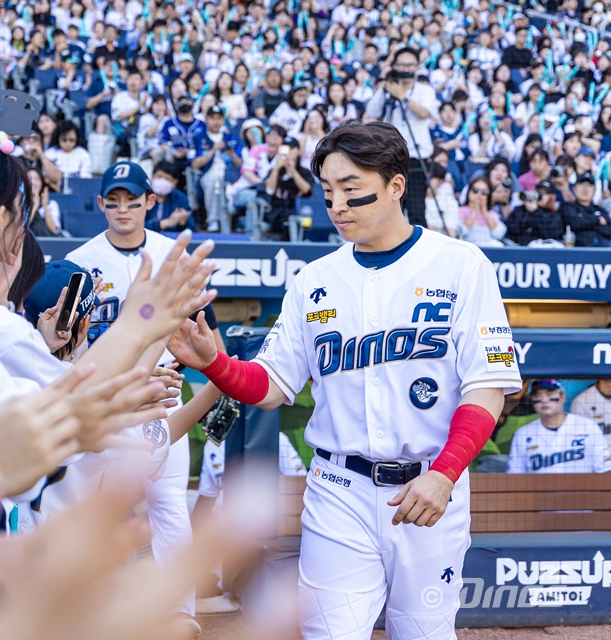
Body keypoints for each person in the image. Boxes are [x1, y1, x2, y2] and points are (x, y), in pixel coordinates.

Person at [168, 122, 522, 639]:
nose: (337, 206)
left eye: (353, 191)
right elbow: (269, 387)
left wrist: (445, 474)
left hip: (429, 487)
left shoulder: (461, 265)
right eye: (329, 192)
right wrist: (214, 362)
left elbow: (486, 387)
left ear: (396, 187)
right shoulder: (315, 279)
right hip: (340, 490)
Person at [65, 161, 224, 628]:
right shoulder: (80, 259)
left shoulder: (172, 253)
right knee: (90, 508)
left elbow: (206, 329)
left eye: (132, 200)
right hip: (105, 399)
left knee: (170, 503)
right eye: (113, 201)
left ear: (150, 202)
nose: (123, 209)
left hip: (163, 392)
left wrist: (221, 379)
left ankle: (180, 616)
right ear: (100, 204)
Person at [365, 47, 439, 227]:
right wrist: (384, 88)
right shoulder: (386, 89)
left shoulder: (425, 90)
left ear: (417, 67)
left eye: (410, 64)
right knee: (390, 208)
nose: (406, 68)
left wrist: (402, 97)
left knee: (416, 211)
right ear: (394, 66)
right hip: (390, 157)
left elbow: (424, 113)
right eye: (401, 64)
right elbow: (371, 111)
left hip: (416, 157)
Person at [507, 380, 610, 474]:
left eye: (549, 394)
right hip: (540, 492)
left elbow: (604, 468)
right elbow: (515, 474)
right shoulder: (523, 434)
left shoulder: (588, 426)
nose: (544, 400)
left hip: (583, 491)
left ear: (562, 397)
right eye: (537, 396)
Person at [190, 106, 242, 232]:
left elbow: (240, 164)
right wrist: (213, 150)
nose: (216, 122)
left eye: (219, 118)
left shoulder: (231, 138)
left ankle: (235, 220)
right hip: (207, 172)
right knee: (215, 180)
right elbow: (194, 164)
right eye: (212, 118)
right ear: (206, 119)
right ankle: (213, 220)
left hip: (230, 173)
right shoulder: (198, 137)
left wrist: (232, 155)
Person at [263, 138, 314, 241]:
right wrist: (276, 168)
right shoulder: (274, 171)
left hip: (298, 212)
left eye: (291, 148)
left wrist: (293, 171)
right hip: (277, 214)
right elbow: (269, 190)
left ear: (298, 150)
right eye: (285, 148)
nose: (288, 152)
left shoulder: (304, 172)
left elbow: (307, 190)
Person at [560, 173, 611, 247]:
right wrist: (597, 220)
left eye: (589, 186)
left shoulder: (600, 210)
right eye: (581, 185)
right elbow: (574, 223)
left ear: (594, 190)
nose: (585, 189)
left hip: (602, 252)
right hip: (577, 251)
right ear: (574, 188)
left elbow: (609, 231)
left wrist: (584, 222)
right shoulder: (568, 207)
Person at [458, 176, 507, 247]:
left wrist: (485, 212)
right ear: (468, 192)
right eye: (475, 190)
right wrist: (474, 212)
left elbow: (498, 234)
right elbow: (460, 232)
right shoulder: (460, 210)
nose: (479, 194)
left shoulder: (492, 214)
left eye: (484, 192)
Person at [146, 161, 194, 233]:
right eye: (159, 177)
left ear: (174, 183)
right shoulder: (142, 196)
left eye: (167, 179)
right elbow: (136, 226)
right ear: (152, 177)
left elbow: (191, 226)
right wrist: (165, 223)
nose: (162, 181)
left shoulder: (180, 198)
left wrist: (184, 221)